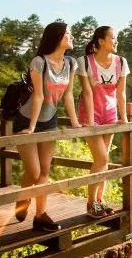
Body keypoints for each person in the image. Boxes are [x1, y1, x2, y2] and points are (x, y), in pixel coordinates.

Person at [13, 21, 82, 231]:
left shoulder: (71, 63)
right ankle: (22, 202)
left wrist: (76, 122)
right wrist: (32, 127)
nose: (71, 36)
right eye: (67, 34)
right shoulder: (39, 62)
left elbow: (68, 94)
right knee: (33, 173)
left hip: (50, 120)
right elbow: (38, 96)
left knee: (44, 171)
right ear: (57, 37)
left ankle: (40, 216)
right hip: (27, 120)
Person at [77, 26, 130, 219]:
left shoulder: (121, 62)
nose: (116, 41)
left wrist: (123, 117)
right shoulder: (84, 62)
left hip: (110, 114)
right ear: (101, 41)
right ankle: (91, 204)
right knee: (102, 159)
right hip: (91, 114)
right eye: (113, 38)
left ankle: (100, 200)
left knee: (104, 160)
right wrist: (90, 121)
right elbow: (87, 92)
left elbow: (120, 92)